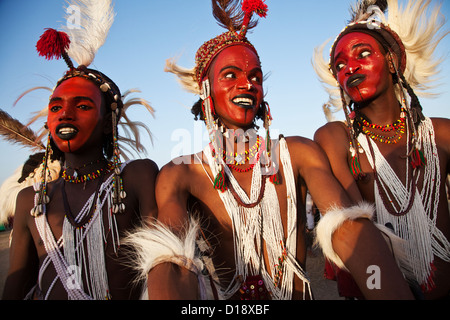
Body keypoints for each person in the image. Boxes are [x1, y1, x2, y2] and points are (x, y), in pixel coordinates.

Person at [126, 0, 413, 300]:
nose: (246, 85)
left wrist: (386, 290)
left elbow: (348, 228)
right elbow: (172, 261)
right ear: (206, 91)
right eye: (230, 75)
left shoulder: (299, 153)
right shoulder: (181, 173)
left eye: (255, 78)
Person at [2, 0, 158, 300]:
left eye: (83, 106)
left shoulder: (137, 177)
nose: (65, 114)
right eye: (56, 107)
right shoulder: (30, 200)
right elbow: (15, 286)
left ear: (106, 123)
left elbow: (163, 266)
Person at [313, 0, 449, 299]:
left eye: (363, 53)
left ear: (391, 61)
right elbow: (354, 228)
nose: (350, 67)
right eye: (339, 65)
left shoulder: (441, 132)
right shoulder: (337, 137)